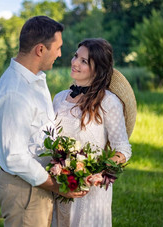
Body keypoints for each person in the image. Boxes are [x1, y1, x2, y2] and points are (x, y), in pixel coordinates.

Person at [0, 16, 87, 227]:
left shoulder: (35, 79)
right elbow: (15, 158)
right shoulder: (15, 93)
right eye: (58, 48)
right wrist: (59, 187)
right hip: (25, 189)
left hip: (37, 184)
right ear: (40, 50)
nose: (61, 54)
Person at [52, 38, 136, 226]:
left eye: (84, 61)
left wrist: (103, 173)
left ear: (97, 69)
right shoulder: (59, 99)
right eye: (76, 56)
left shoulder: (108, 102)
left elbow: (123, 149)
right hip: (60, 186)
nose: (74, 63)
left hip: (91, 190)